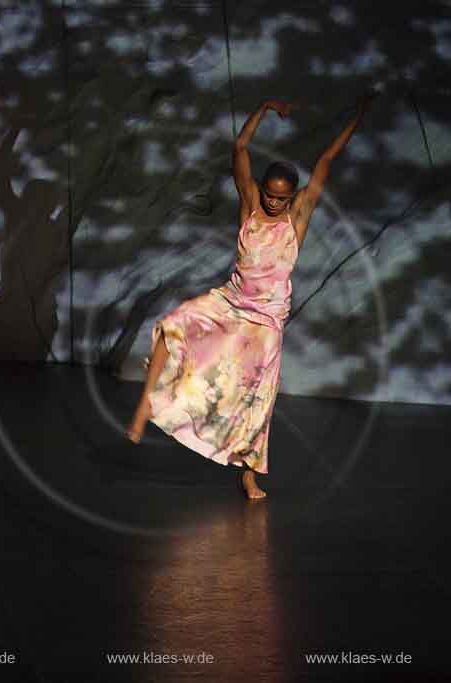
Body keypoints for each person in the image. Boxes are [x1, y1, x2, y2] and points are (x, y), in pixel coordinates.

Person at [125, 92, 376, 499]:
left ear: (292, 196)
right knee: (173, 326)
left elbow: (327, 160)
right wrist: (263, 108)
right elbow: (240, 148)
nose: (274, 202)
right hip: (232, 300)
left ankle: (247, 472)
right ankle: (143, 407)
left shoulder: (296, 217)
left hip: (267, 319)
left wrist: (357, 117)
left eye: (282, 197)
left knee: (256, 395)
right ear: (262, 189)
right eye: (270, 194)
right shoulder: (249, 205)